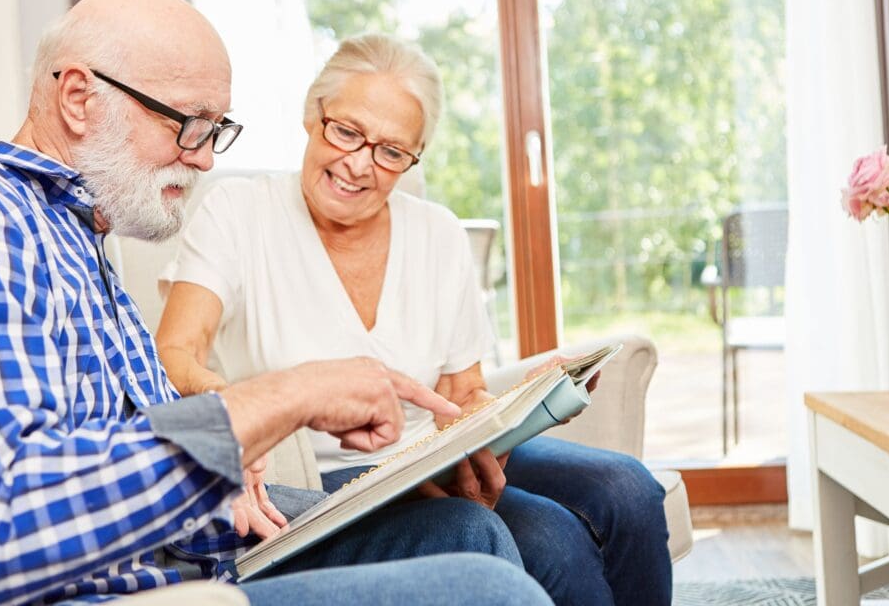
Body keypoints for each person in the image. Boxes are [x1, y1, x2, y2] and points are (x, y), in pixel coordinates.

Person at [0, 0, 555, 606]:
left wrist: (223, 469)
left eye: (215, 128)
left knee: (465, 528)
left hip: (182, 547)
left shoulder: (77, 237)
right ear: (78, 97)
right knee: (485, 587)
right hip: (121, 587)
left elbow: (105, 443)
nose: (204, 157)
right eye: (187, 122)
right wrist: (285, 399)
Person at [156, 33, 673, 606]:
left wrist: (516, 408)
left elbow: (462, 392)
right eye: (347, 131)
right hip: (324, 483)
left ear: (414, 156)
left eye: (391, 151)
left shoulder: (438, 232)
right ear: (312, 115)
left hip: (432, 457)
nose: (359, 164)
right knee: (555, 543)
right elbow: (175, 353)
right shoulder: (239, 213)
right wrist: (239, 422)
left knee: (627, 489)